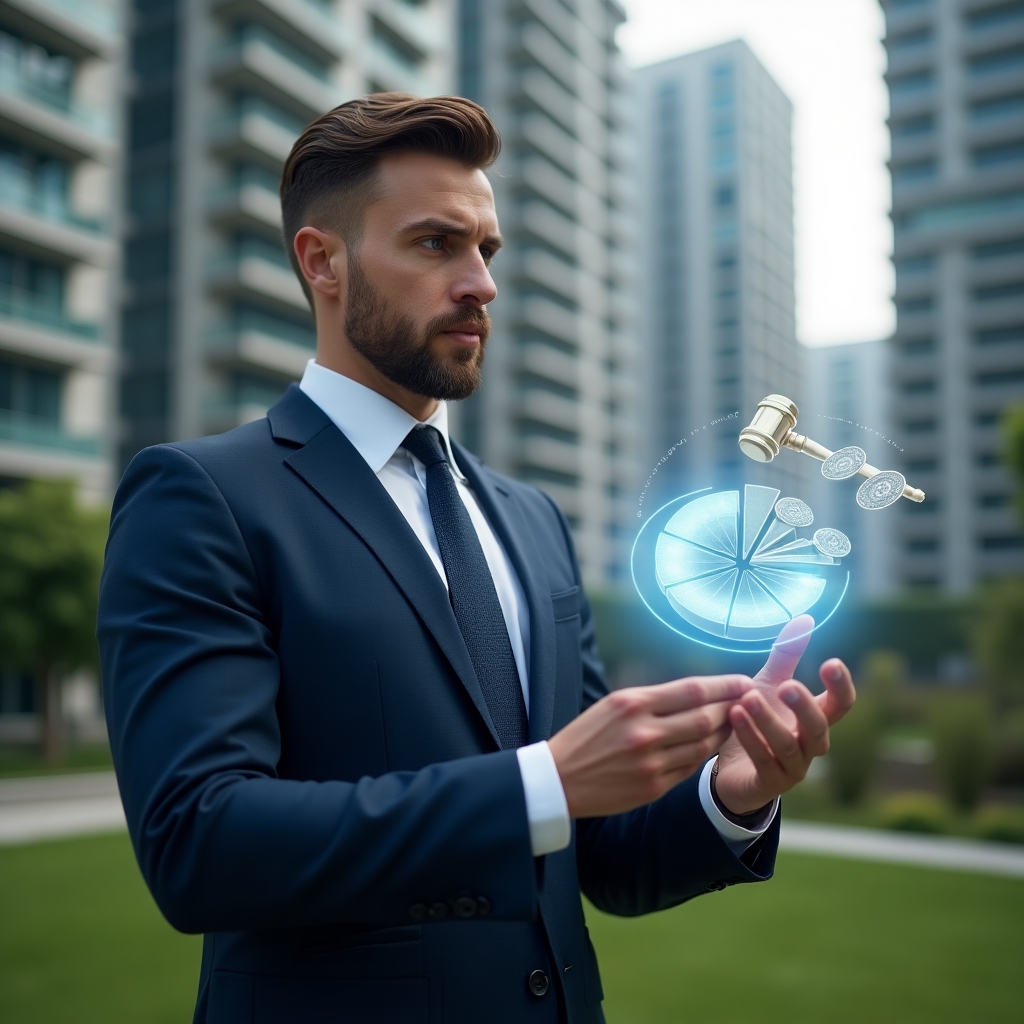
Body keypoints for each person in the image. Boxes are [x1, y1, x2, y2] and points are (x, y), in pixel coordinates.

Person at [98, 94, 856, 1024]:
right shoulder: (203, 496)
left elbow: (598, 851)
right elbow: (199, 844)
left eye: (486, 251)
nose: (481, 284)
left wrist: (728, 797)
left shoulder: (530, 519)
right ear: (321, 260)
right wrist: (543, 782)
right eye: (435, 245)